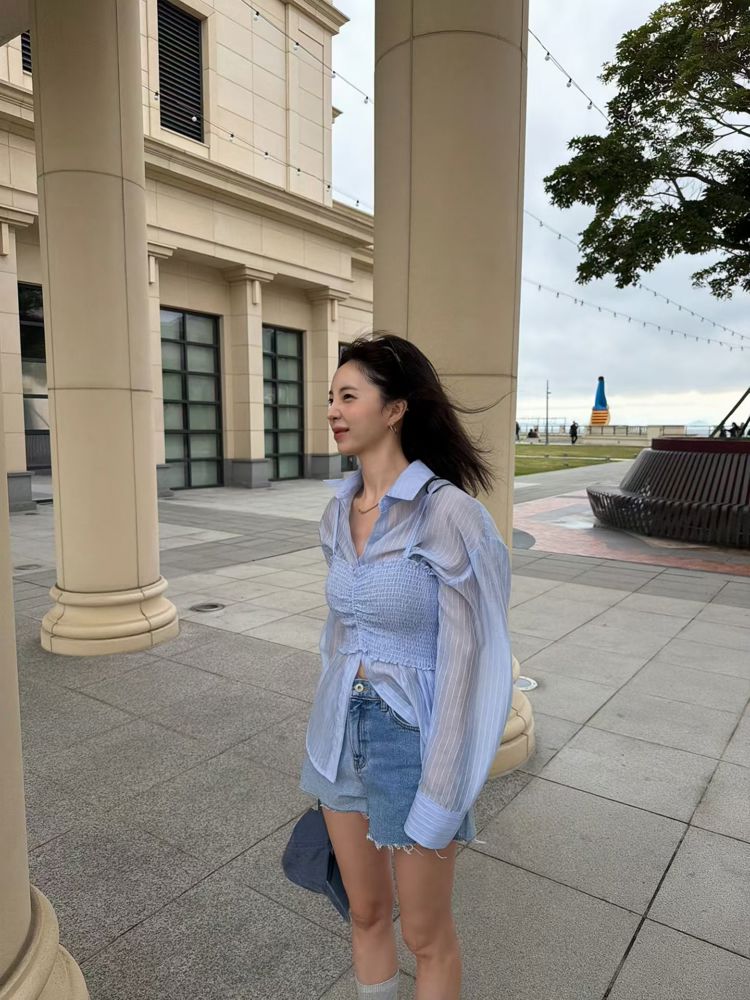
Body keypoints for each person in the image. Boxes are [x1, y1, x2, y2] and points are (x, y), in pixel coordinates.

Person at [299, 333, 513, 1000]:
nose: (333, 411)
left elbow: (473, 663)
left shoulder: (450, 515)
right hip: (339, 738)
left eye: (349, 396)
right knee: (364, 913)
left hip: (412, 742)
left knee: (426, 934)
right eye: (331, 397)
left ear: (395, 410)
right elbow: (341, 633)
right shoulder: (337, 512)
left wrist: (445, 788)